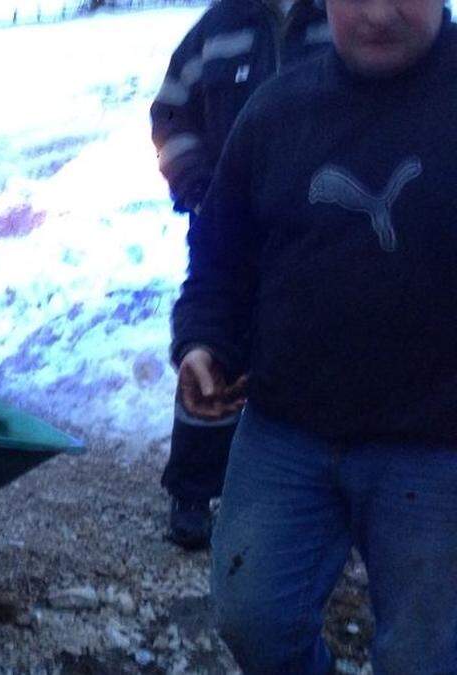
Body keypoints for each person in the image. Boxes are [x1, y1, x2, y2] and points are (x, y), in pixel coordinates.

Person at [172, 0, 457, 668]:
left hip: (438, 447)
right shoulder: (277, 110)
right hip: (287, 431)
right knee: (253, 620)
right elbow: (220, 252)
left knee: (426, 652)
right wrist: (202, 340)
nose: (378, 13)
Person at [150, 0, 330, 549]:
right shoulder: (218, 27)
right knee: (213, 348)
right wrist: (198, 188)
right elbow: (170, 112)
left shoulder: (343, 19)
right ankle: (193, 490)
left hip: (318, 228)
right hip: (225, 222)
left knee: (313, 343)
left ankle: (311, 489)